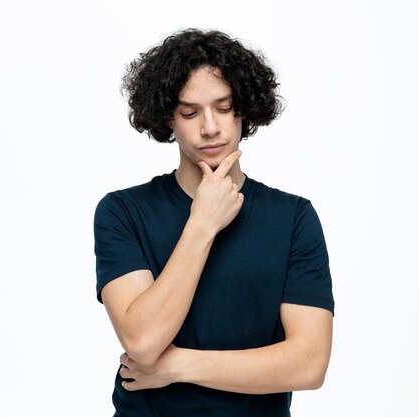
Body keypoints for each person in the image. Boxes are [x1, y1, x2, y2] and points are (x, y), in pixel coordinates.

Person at [93, 28, 334, 417]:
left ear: (244, 109)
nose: (210, 127)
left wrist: (177, 367)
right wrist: (202, 224)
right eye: (190, 112)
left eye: (223, 108)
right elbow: (142, 341)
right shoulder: (123, 212)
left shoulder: (293, 218)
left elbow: (308, 364)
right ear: (168, 118)